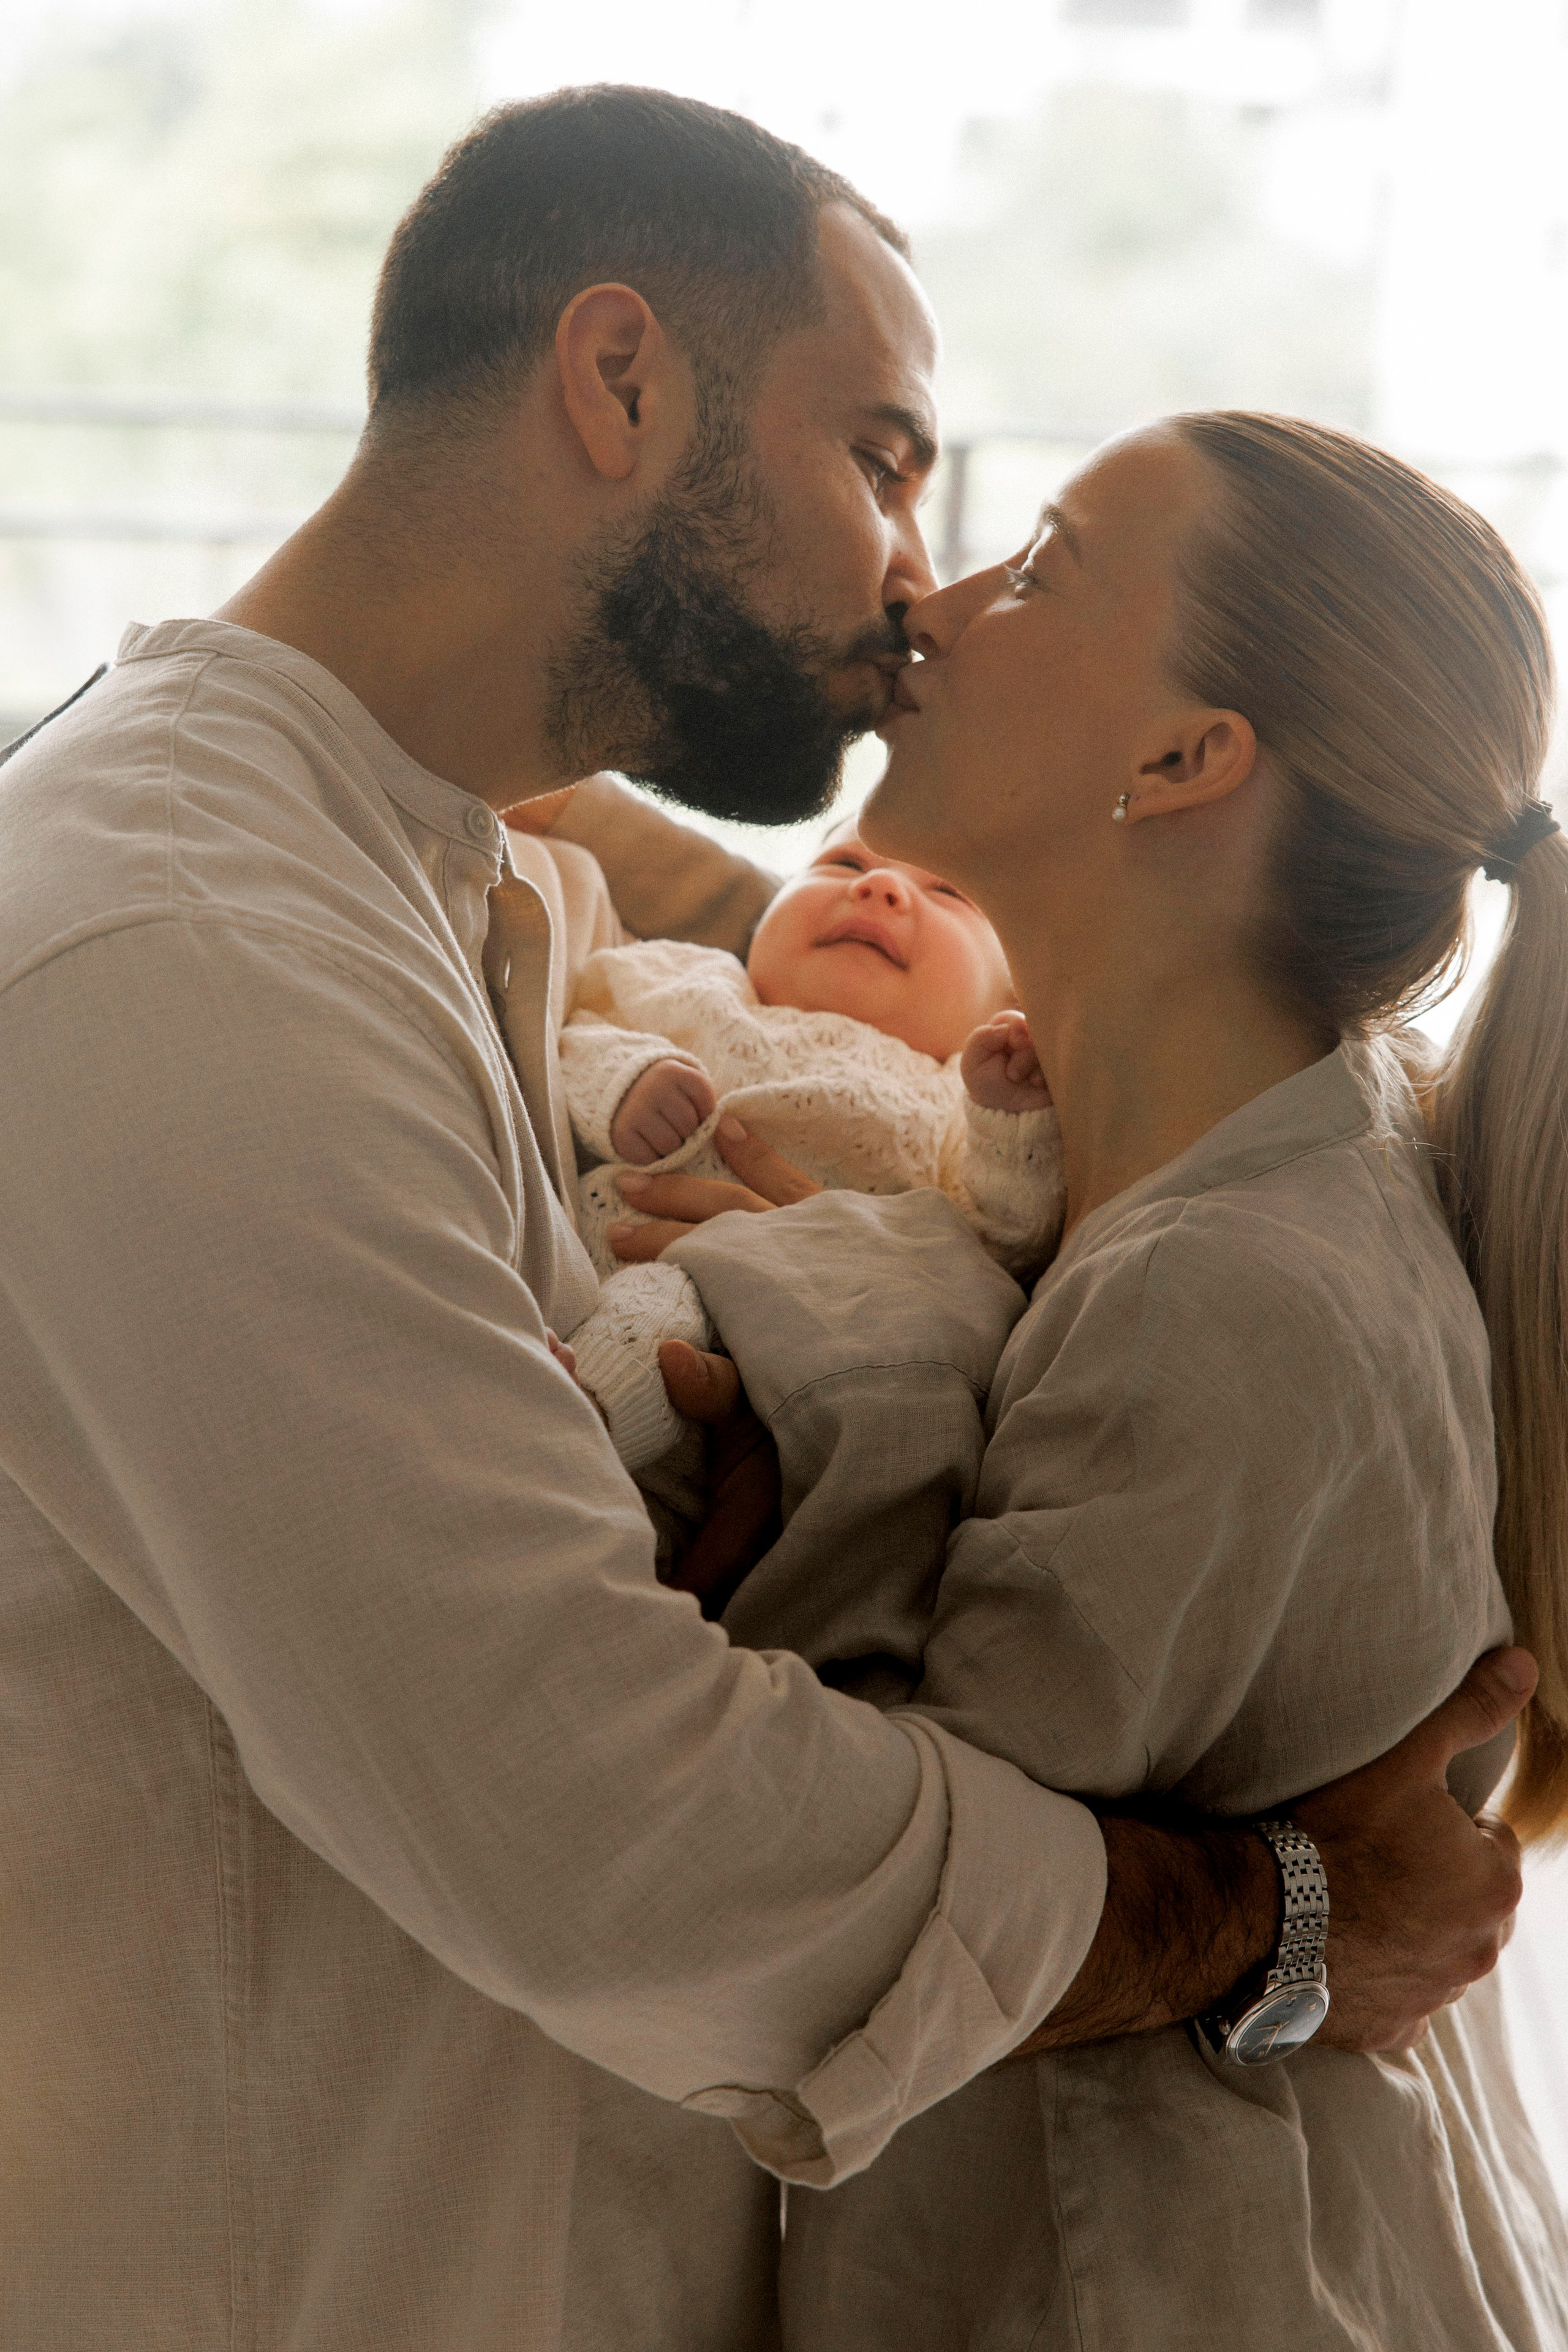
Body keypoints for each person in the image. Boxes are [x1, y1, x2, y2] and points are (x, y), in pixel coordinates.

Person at [0, 88, 1531, 2352]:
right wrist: (1284, 1919)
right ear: (618, 383)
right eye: (885, 458)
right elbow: (624, 1827)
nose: (912, 583)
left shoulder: (435, 884)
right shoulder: (183, 944)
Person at [596, 414, 1568, 2346]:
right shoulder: (1230, 1143)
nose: (926, 600)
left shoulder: (1228, 1294)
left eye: (1033, 566)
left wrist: (845, 1361)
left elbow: (905, 1923)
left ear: (1183, 759)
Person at [560, 818, 1060, 1493]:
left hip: (742, 1366)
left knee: (668, 1305)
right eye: (842, 865)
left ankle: (575, 1417)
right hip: (566, 1252)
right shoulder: (692, 980)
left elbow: (1000, 1242)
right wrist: (629, 1082)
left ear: (1008, 1000)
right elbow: (575, 1035)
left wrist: (1009, 1120)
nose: (880, 887)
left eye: (948, 893)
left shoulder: (956, 1100)